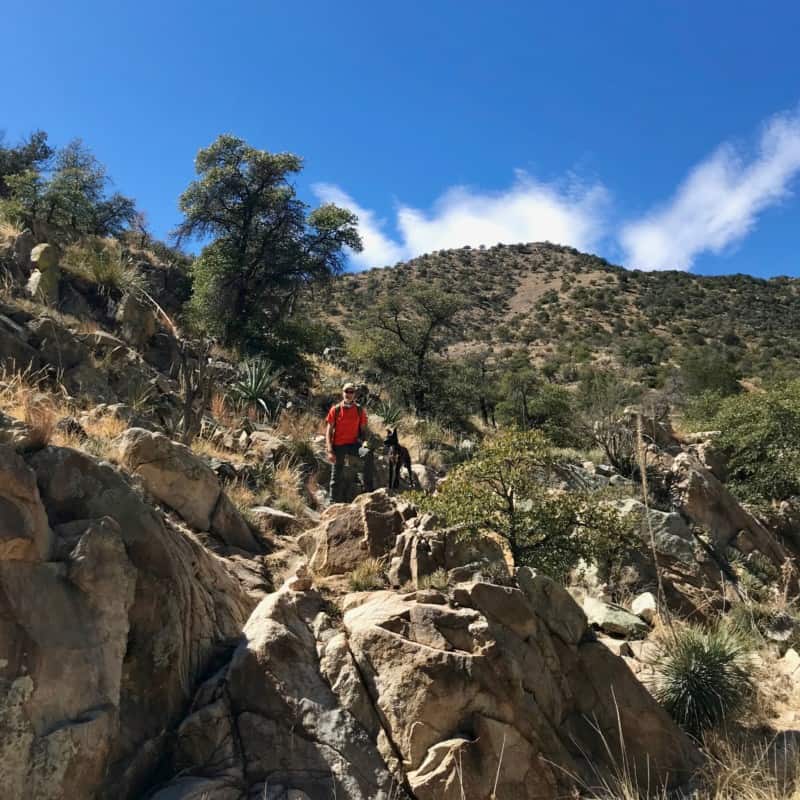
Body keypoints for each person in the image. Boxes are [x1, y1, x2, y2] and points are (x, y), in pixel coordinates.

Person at [325, 382, 374, 503]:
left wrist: (365, 443)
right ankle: (332, 502)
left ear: (354, 394)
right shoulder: (335, 410)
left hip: (353, 444)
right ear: (343, 393)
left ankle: (368, 490)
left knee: (368, 454)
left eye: (351, 392)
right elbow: (328, 432)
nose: (348, 394)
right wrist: (330, 450)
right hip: (339, 445)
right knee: (336, 474)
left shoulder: (359, 410)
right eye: (346, 391)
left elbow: (363, 430)